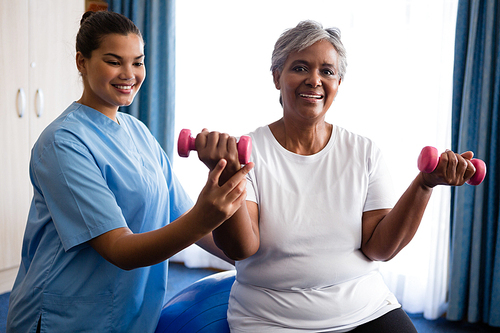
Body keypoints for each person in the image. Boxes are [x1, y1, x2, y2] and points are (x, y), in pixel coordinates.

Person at [196, 20, 478, 332]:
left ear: (339, 82)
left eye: (327, 71)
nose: (313, 80)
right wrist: (226, 177)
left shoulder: (364, 151)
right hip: (271, 317)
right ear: (277, 77)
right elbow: (241, 249)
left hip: (365, 308)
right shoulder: (246, 154)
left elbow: (379, 249)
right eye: (300, 68)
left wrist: (425, 184)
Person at [6, 11, 252, 333]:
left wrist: (253, 261)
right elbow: (120, 249)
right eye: (114, 61)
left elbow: (182, 217)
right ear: (82, 62)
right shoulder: (62, 143)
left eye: (137, 62)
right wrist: (206, 215)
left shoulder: (139, 132)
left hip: (132, 312)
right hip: (66, 318)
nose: (129, 74)